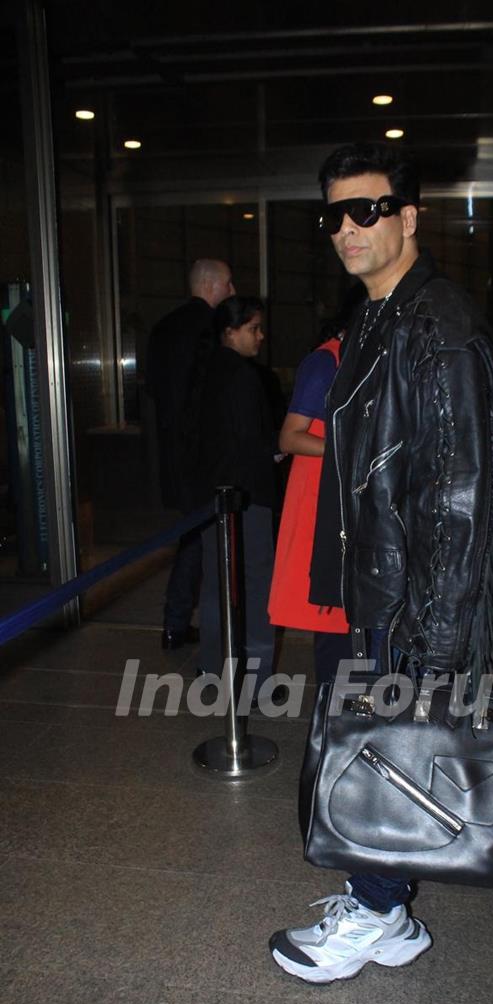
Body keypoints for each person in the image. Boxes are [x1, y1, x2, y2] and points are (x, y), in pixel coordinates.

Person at [269, 142, 493, 983]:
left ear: (409, 216)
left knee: (381, 748)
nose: (348, 227)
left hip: (408, 603)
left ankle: (375, 913)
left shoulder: (436, 326)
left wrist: (437, 644)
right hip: (374, 585)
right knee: (357, 745)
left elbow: (462, 492)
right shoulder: (378, 317)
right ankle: (389, 913)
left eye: (367, 209)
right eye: (335, 213)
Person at [146, 258, 235, 650]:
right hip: (202, 457)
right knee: (200, 543)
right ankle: (179, 622)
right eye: (229, 284)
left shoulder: (163, 328)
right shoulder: (209, 331)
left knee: (193, 539)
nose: (232, 292)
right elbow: (209, 399)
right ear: (212, 285)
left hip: (172, 454)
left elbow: (156, 393)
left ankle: (177, 621)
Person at [192, 296, 278, 684]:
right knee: (257, 586)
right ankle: (257, 680)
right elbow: (252, 441)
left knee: (216, 583)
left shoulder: (205, 371)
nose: (260, 336)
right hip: (249, 495)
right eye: (253, 328)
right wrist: (275, 453)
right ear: (230, 332)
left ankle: (211, 667)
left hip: (212, 494)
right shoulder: (243, 377)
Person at [267, 331, 350, 685]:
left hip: (343, 507)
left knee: (347, 632)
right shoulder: (325, 362)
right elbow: (290, 436)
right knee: (335, 629)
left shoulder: (349, 360)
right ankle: (334, 730)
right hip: (323, 510)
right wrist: (351, 448)